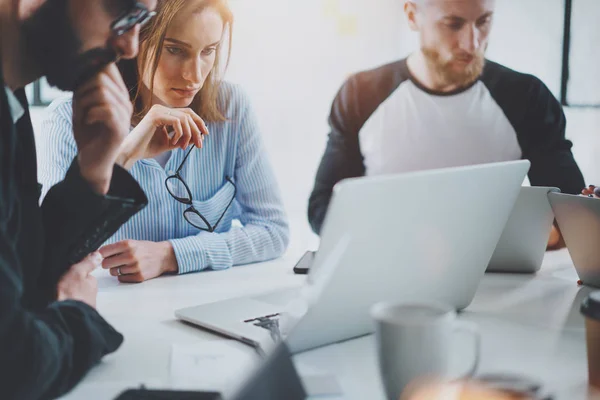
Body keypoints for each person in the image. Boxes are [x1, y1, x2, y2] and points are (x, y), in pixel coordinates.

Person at [39, 0, 289, 283]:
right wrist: (125, 154)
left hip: (208, 306)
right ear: (136, 41)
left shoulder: (232, 106)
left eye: (208, 51)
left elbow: (273, 230)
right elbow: (53, 253)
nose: (194, 76)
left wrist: (173, 255)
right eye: (175, 50)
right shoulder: (66, 119)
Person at [308, 0, 586, 250]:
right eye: (453, 24)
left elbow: (573, 214)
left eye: (483, 21)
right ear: (412, 16)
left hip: (495, 282)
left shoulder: (527, 98)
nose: (472, 43)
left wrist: (539, 236)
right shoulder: (360, 94)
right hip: (386, 277)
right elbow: (323, 210)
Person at [0, 0, 159, 398]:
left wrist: (94, 170)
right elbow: (14, 361)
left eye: (141, 21)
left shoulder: (12, 105)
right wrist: (77, 315)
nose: (130, 47)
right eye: (124, 13)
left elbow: (24, 277)